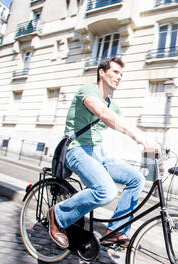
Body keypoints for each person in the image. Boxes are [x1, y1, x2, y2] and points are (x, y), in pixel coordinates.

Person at [48, 57, 156, 249]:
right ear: (102, 72)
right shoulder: (88, 91)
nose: (119, 77)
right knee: (106, 191)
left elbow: (121, 122)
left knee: (136, 179)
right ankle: (57, 215)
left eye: (121, 74)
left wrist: (150, 142)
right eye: (115, 72)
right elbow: (104, 114)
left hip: (98, 152)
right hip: (76, 149)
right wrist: (137, 136)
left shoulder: (113, 104)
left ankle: (115, 231)